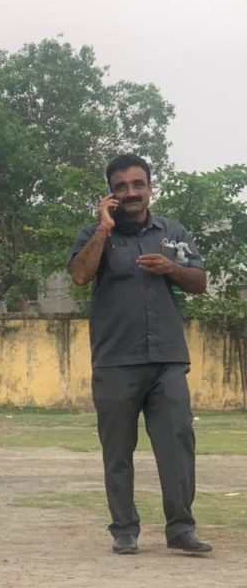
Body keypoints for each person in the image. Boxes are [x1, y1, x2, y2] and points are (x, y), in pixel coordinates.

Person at [68, 153, 211, 555]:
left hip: (167, 358)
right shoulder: (95, 233)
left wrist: (171, 268)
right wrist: (103, 229)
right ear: (111, 194)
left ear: (150, 187)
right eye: (121, 187)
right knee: (117, 450)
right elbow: (80, 276)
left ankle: (181, 528)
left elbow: (199, 282)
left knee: (177, 445)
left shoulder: (172, 233)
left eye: (138, 184)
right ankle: (124, 529)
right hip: (115, 360)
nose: (131, 192)